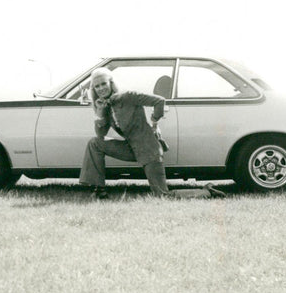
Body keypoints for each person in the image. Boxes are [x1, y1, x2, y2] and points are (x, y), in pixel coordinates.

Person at [78, 67, 226, 200]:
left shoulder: (129, 96)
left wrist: (154, 121)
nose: (101, 88)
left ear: (111, 83)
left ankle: (207, 191)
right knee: (94, 143)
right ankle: (100, 190)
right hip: (131, 149)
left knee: (162, 195)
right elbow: (100, 135)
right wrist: (100, 113)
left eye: (103, 83)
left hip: (149, 150)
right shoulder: (105, 106)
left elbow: (159, 101)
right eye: (97, 86)